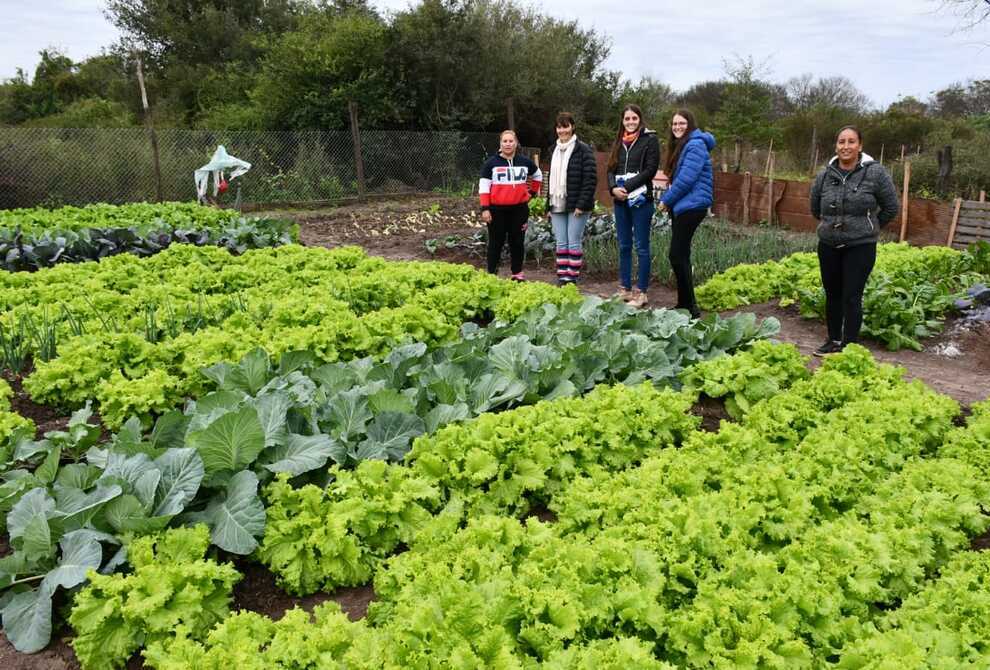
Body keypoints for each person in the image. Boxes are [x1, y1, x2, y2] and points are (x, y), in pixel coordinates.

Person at [809, 125, 899, 356]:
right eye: (841, 142)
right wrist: (830, 226)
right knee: (832, 294)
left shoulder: (875, 173)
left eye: (851, 142)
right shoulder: (825, 175)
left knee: (851, 296)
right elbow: (815, 207)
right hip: (828, 244)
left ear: (860, 146)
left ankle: (849, 345)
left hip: (860, 246)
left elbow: (891, 207)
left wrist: (869, 227)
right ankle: (833, 340)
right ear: (836, 145)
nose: (845, 146)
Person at [657, 109, 715, 318]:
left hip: (692, 205)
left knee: (676, 255)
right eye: (674, 124)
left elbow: (686, 180)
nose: (677, 127)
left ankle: (690, 307)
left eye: (681, 123)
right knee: (681, 255)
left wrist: (666, 200)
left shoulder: (696, 145)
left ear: (690, 125)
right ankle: (685, 304)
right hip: (683, 205)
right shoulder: (684, 146)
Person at [607, 104, 660, 308]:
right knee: (624, 246)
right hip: (620, 201)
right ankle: (625, 289)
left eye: (634, 118)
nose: (630, 122)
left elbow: (650, 170)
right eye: (627, 119)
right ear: (622, 121)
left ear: (640, 120)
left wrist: (626, 187)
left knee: (642, 247)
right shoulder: (618, 142)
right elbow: (610, 168)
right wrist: (613, 188)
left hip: (640, 200)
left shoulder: (650, 141)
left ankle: (641, 292)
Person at [479, 130, 543, 280]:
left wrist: (531, 193)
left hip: (519, 210)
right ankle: (492, 274)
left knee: (517, 242)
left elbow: (538, 175)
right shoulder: (491, 164)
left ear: (516, 143)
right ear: (500, 144)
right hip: (496, 210)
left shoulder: (524, 162)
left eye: (511, 141)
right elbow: (483, 187)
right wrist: (485, 208)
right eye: (505, 141)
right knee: (496, 243)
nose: (508, 144)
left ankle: (517, 274)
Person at [546, 112, 597, 286]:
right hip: (557, 202)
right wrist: (548, 205)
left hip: (577, 204)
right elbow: (550, 178)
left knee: (573, 241)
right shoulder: (553, 149)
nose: (562, 130)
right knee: (561, 241)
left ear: (572, 127)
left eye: (565, 126)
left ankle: (572, 278)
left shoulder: (583, 149)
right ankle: (562, 276)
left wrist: (581, 205)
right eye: (559, 127)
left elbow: (590, 179)